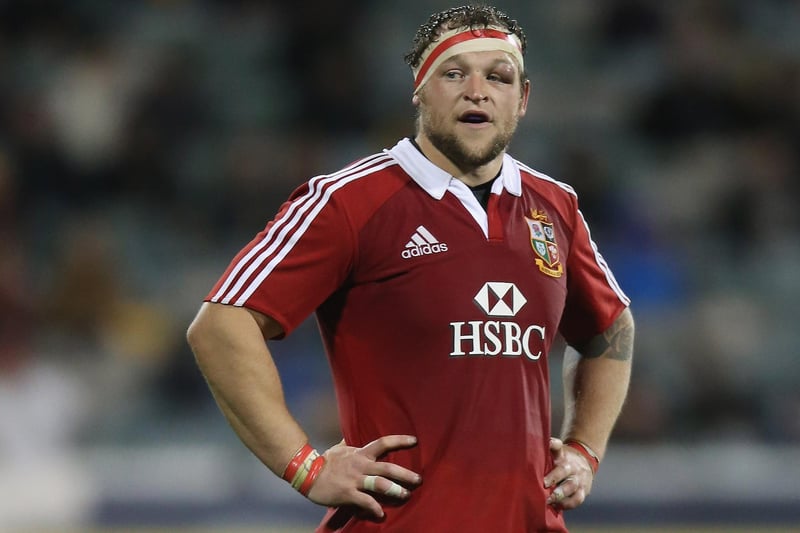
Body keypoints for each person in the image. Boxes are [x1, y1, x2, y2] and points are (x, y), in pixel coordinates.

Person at [187, 5, 634, 532]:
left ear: (523, 98)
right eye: (454, 73)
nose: (477, 90)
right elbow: (221, 326)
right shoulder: (348, 201)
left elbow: (609, 329)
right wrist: (304, 467)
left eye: (498, 76)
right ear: (419, 91)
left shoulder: (554, 207)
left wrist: (584, 449)